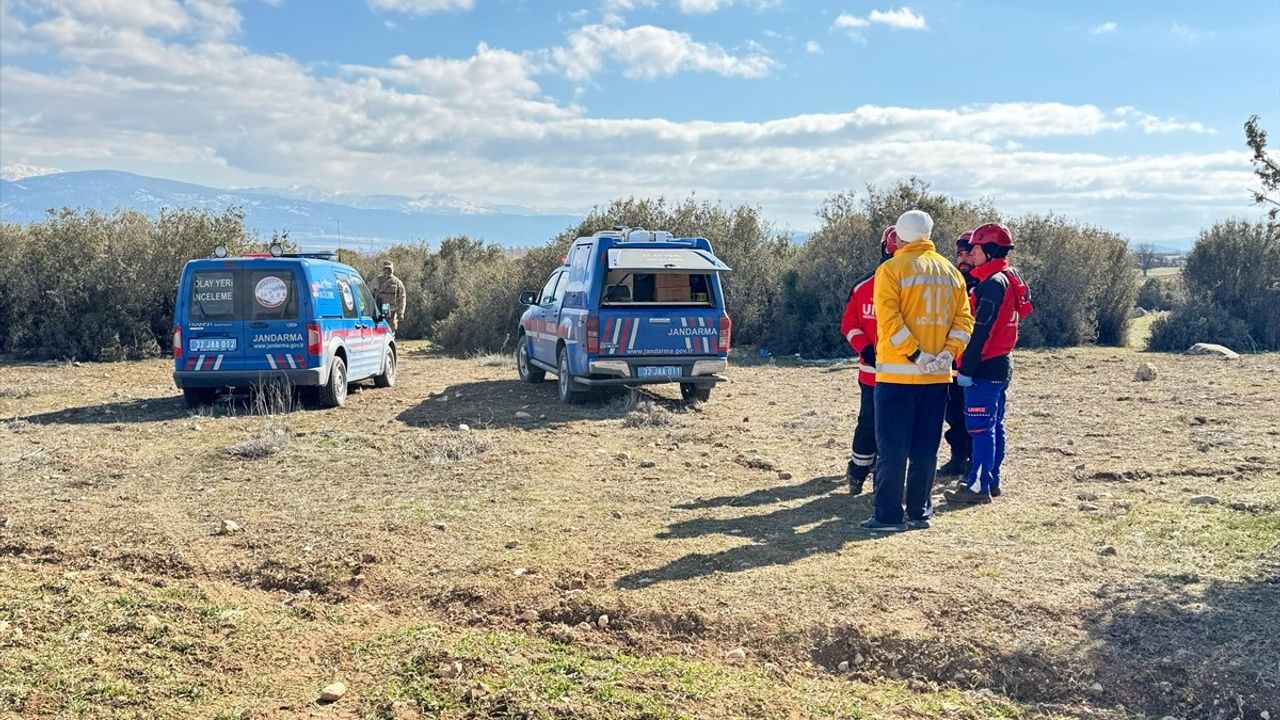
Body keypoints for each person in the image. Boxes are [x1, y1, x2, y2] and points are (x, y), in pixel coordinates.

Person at [862, 210, 974, 532]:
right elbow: (965, 322)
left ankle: (888, 516)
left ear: (899, 236)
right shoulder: (952, 273)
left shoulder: (890, 269)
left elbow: (889, 319)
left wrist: (915, 354)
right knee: (926, 447)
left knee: (892, 449)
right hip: (937, 376)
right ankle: (920, 511)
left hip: (897, 376)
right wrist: (948, 354)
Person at [944, 222, 1033, 505]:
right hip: (1000, 363)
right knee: (994, 426)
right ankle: (991, 480)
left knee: (981, 429)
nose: (972, 254)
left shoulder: (993, 284)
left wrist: (966, 369)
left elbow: (982, 330)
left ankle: (977, 487)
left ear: (988, 251)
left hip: (985, 366)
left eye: (977, 249)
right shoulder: (1006, 277)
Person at [839, 225, 899, 495]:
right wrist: (865, 349)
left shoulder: (919, 285)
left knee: (895, 428)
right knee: (869, 423)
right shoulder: (864, 286)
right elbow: (849, 324)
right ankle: (858, 472)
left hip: (907, 375)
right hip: (873, 373)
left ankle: (882, 476)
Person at [939, 231, 979, 477]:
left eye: (968, 253)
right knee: (953, 411)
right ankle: (957, 457)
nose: (963, 259)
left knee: (974, 412)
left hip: (975, 362)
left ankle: (975, 462)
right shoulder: (952, 283)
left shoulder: (986, 285)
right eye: (959, 254)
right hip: (951, 359)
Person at [373, 260, 407, 333]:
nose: (387, 271)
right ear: (383, 269)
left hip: (392, 312)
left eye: (389, 269)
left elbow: (402, 298)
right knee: (378, 331)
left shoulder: (397, 282)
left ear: (392, 269)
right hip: (378, 311)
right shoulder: (377, 280)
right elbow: (370, 293)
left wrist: (401, 313)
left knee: (391, 331)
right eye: (385, 269)